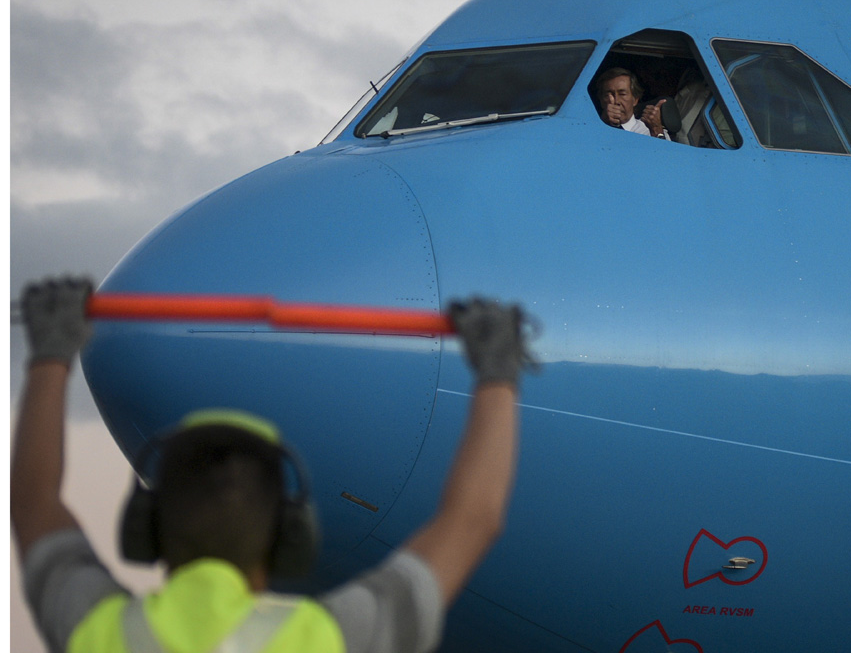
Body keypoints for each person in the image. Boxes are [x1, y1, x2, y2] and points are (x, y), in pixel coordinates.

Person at [12, 276, 535, 653]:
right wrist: (498, 372)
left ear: (146, 527)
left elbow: (33, 502)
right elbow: (474, 518)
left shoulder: (101, 634)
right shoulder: (324, 639)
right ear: (289, 535)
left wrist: (49, 356)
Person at [594, 67, 671, 140]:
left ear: (635, 100)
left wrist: (656, 130)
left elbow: (665, 149)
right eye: (609, 95)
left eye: (622, 94)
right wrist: (602, 125)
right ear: (601, 101)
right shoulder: (591, 129)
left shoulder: (647, 131)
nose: (616, 101)